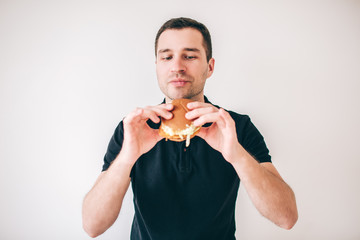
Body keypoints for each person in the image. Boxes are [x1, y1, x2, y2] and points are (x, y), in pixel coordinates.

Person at [82, 17, 298, 239]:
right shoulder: (133, 128)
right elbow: (92, 226)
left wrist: (237, 156)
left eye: (190, 56)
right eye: (167, 57)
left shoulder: (236, 127)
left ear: (210, 66)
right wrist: (128, 158)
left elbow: (286, 218)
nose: (177, 67)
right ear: (157, 66)